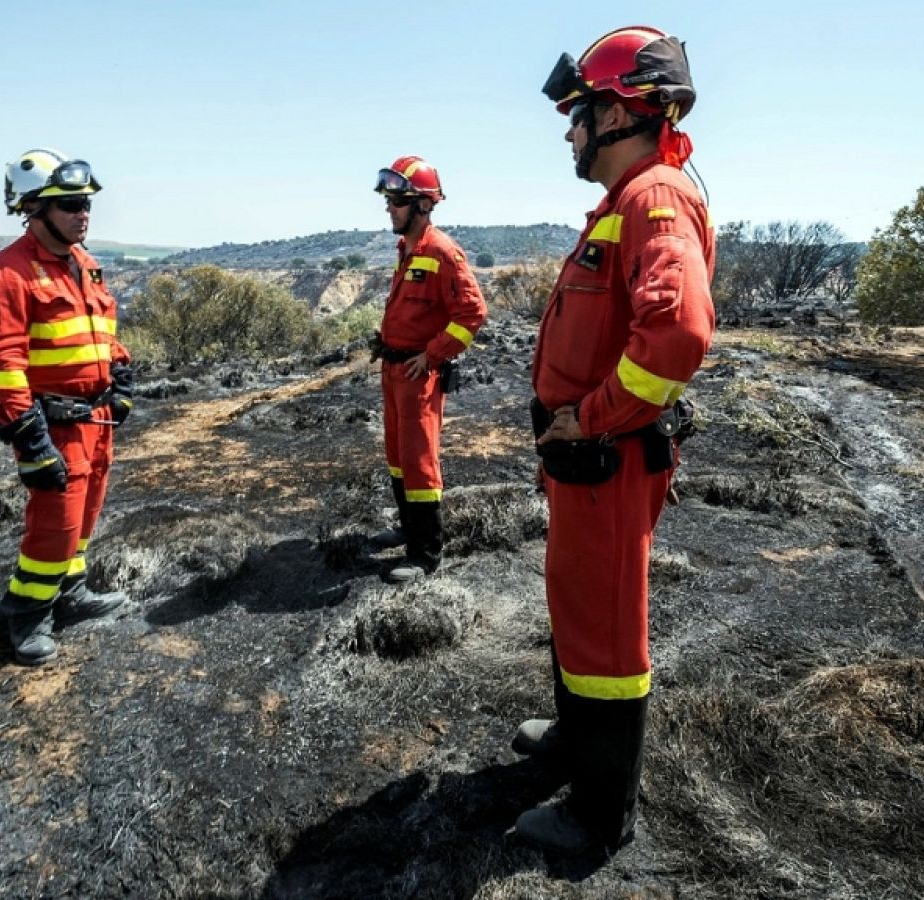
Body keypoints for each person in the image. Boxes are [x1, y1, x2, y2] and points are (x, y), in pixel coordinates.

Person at [511, 26, 716, 854]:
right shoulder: (624, 204)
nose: (569, 131)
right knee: (577, 606)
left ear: (620, 112)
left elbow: (679, 336)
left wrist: (589, 418)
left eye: (578, 114)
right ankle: (575, 741)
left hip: (608, 457)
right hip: (582, 460)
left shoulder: (655, 197)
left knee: (604, 626)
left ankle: (599, 815)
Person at [0, 148, 135, 665]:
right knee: (55, 524)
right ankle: (26, 616)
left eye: (86, 202)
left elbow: (102, 333)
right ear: (34, 209)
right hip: (54, 423)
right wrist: (28, 435)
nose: (82, 212)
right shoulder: (9, 273)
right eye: (69, 204)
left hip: (97, 417)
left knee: (85, 519)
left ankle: (72, 592)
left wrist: (121, 372)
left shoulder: (84, 265)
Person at [369, 156, 488, 583]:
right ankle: (408, 528)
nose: (389, 208)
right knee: (398, 456)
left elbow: (472, 313)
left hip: (419, 376)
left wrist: (434, 354)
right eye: (389, 200)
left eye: (396, 201)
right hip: (394, 370)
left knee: (420, 461)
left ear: (421, 205)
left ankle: (425, 554)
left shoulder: (442, 251)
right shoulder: (407, 249)